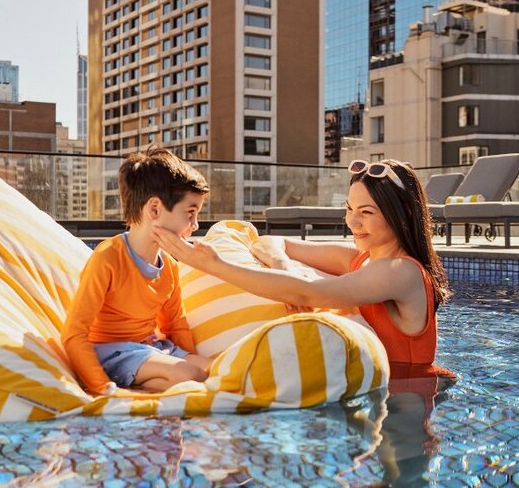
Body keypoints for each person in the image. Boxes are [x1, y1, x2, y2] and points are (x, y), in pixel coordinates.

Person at [153, 158, 455, 380]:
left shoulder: (400, 272)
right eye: (349, 209)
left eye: (366, 212)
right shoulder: (362, 259)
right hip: (366, 384)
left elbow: (308, 293)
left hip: (406, 397)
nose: (353, 222)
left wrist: (215, 266)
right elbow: (269, 242)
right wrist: (283, 263)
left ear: (401, 214)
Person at [62, 147, 213, 395]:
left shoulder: (170, 266)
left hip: (152, 350)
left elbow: (176, 326)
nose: (195, 225)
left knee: (218, 370)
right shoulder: (107, 257)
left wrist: (193, 361)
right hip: (112, 353)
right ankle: (142, 388)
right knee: (188, 375)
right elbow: (74, 333)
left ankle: (146, 391)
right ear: (154, 210)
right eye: (190, 213)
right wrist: (103, 388)